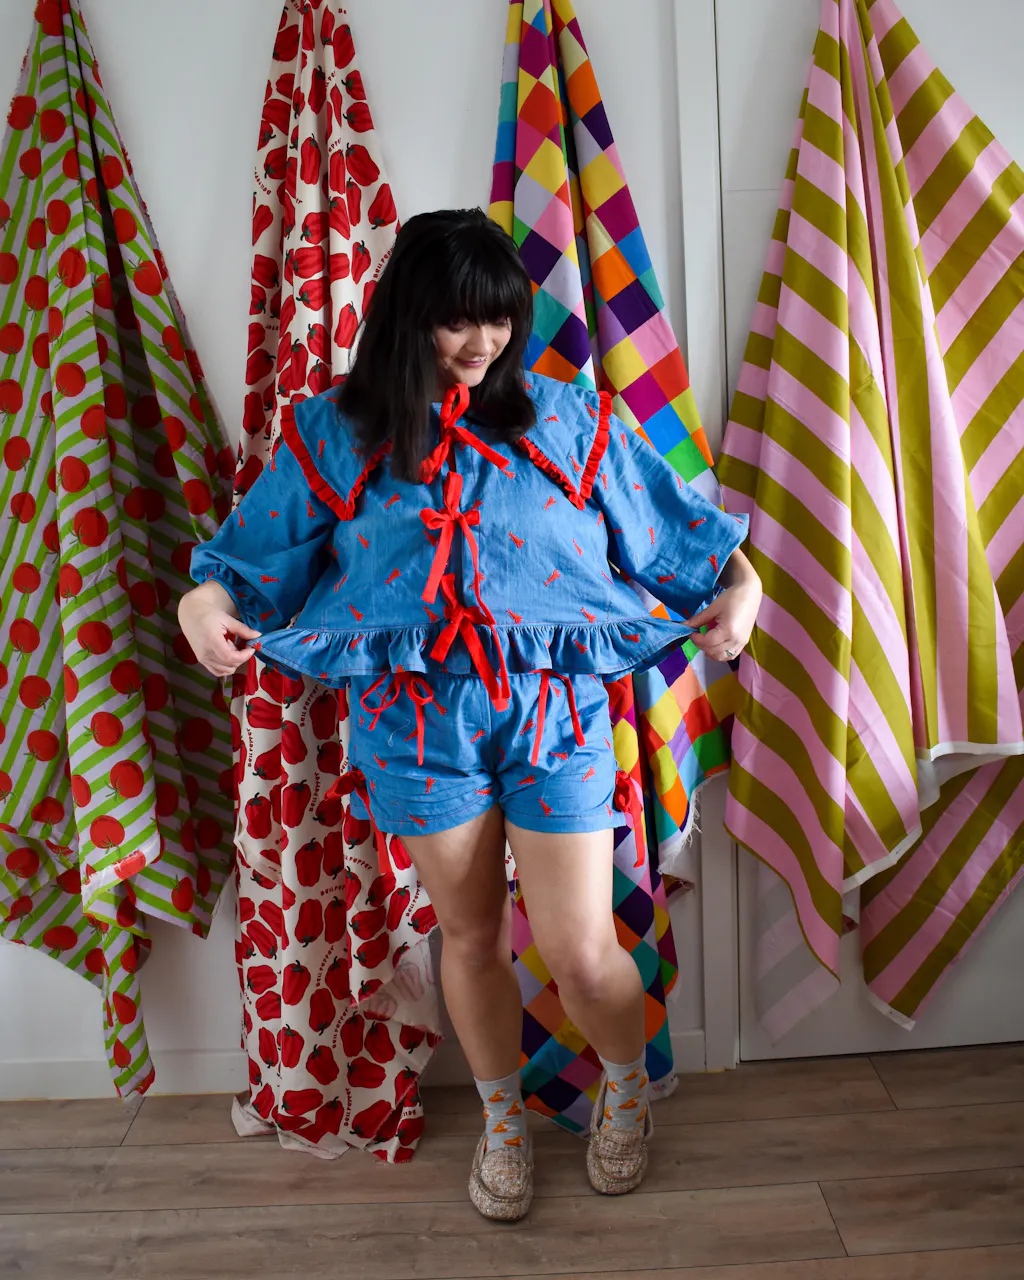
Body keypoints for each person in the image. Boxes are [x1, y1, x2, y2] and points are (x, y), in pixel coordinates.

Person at [179, 208, 761, 1222]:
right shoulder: (336, 433)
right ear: (409, 315)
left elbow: (688, 540)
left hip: (553, 716)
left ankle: (626, 1088)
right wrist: (203, 603)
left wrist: (741, 591)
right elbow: (246, 560)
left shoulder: (571, 420)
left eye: (498, 318)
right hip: (415, 729)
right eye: (458, 319)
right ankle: (503, 1120)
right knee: (471, 935)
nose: (483, 341)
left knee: (581, 949)